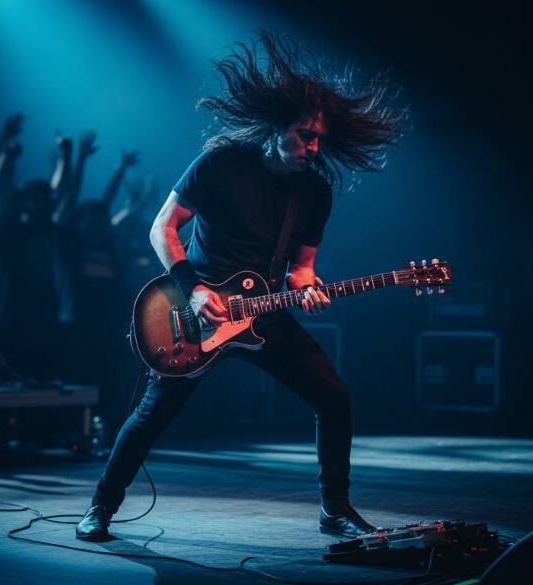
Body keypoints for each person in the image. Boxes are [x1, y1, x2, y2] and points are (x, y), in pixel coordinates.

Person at [74, 30, 407, 541]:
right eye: (304, 135)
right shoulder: (223, 162)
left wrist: (309, 288)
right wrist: (194, 289)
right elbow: (162, 227)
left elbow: (301, 269)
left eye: (319, 138)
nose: (313, 147)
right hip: (196, 311)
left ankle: (334, 509)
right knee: (151, 416)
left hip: (263, 313)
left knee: (334, 397)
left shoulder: (315, 191)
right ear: (277, 127)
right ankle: (101, 507)